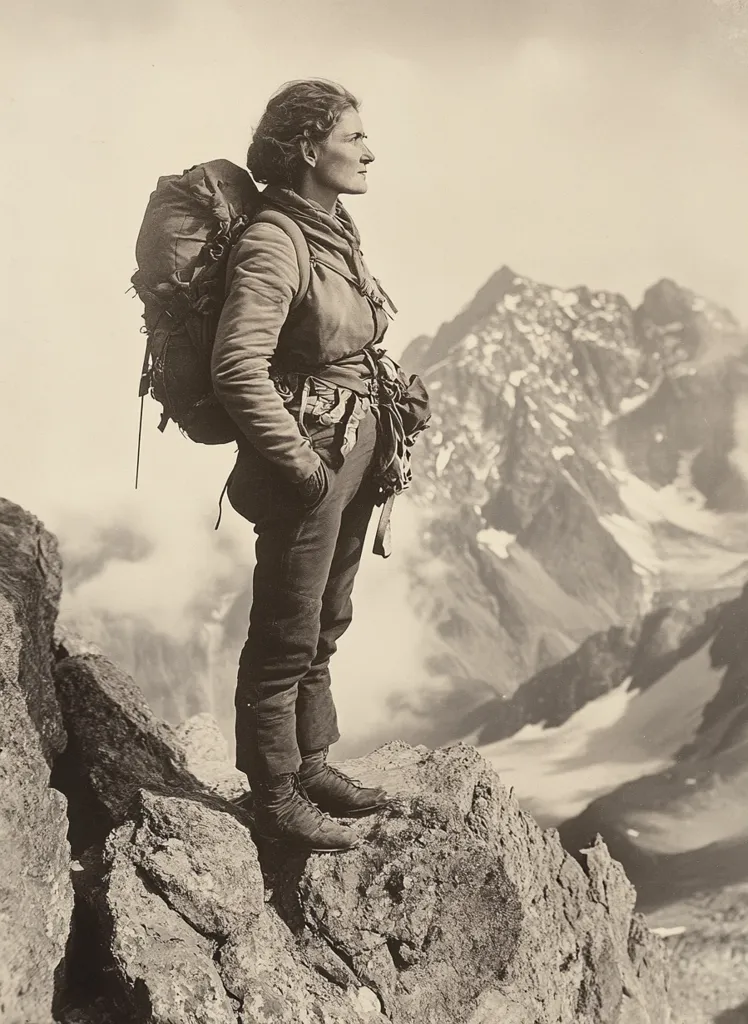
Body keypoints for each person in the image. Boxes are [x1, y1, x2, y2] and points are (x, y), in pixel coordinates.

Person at [211, 79, 428, 853]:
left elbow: (342, 334)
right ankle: (273, 797)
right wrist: (299, 465)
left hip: (353, 440)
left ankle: (311, 764)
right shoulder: (277, 238)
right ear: (307, 148)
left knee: (326, 620)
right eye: (353, 136)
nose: (370, 150)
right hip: (308, 453)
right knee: (285, 633)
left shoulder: (333, 227)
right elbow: (237, 365)